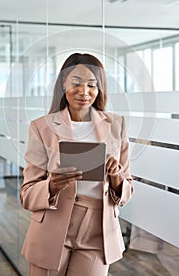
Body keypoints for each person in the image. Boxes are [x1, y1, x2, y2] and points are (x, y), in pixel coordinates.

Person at [20, 53, 133, 276]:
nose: (84, 91)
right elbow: (27, 194)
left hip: (98, 230)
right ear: (63, 84)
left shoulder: (117, 125)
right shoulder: (41, 127)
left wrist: (117, 178)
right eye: (76, 83)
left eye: (92, 85)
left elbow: (127, 190)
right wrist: (51, 185)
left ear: (100, 89)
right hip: (52, 225)